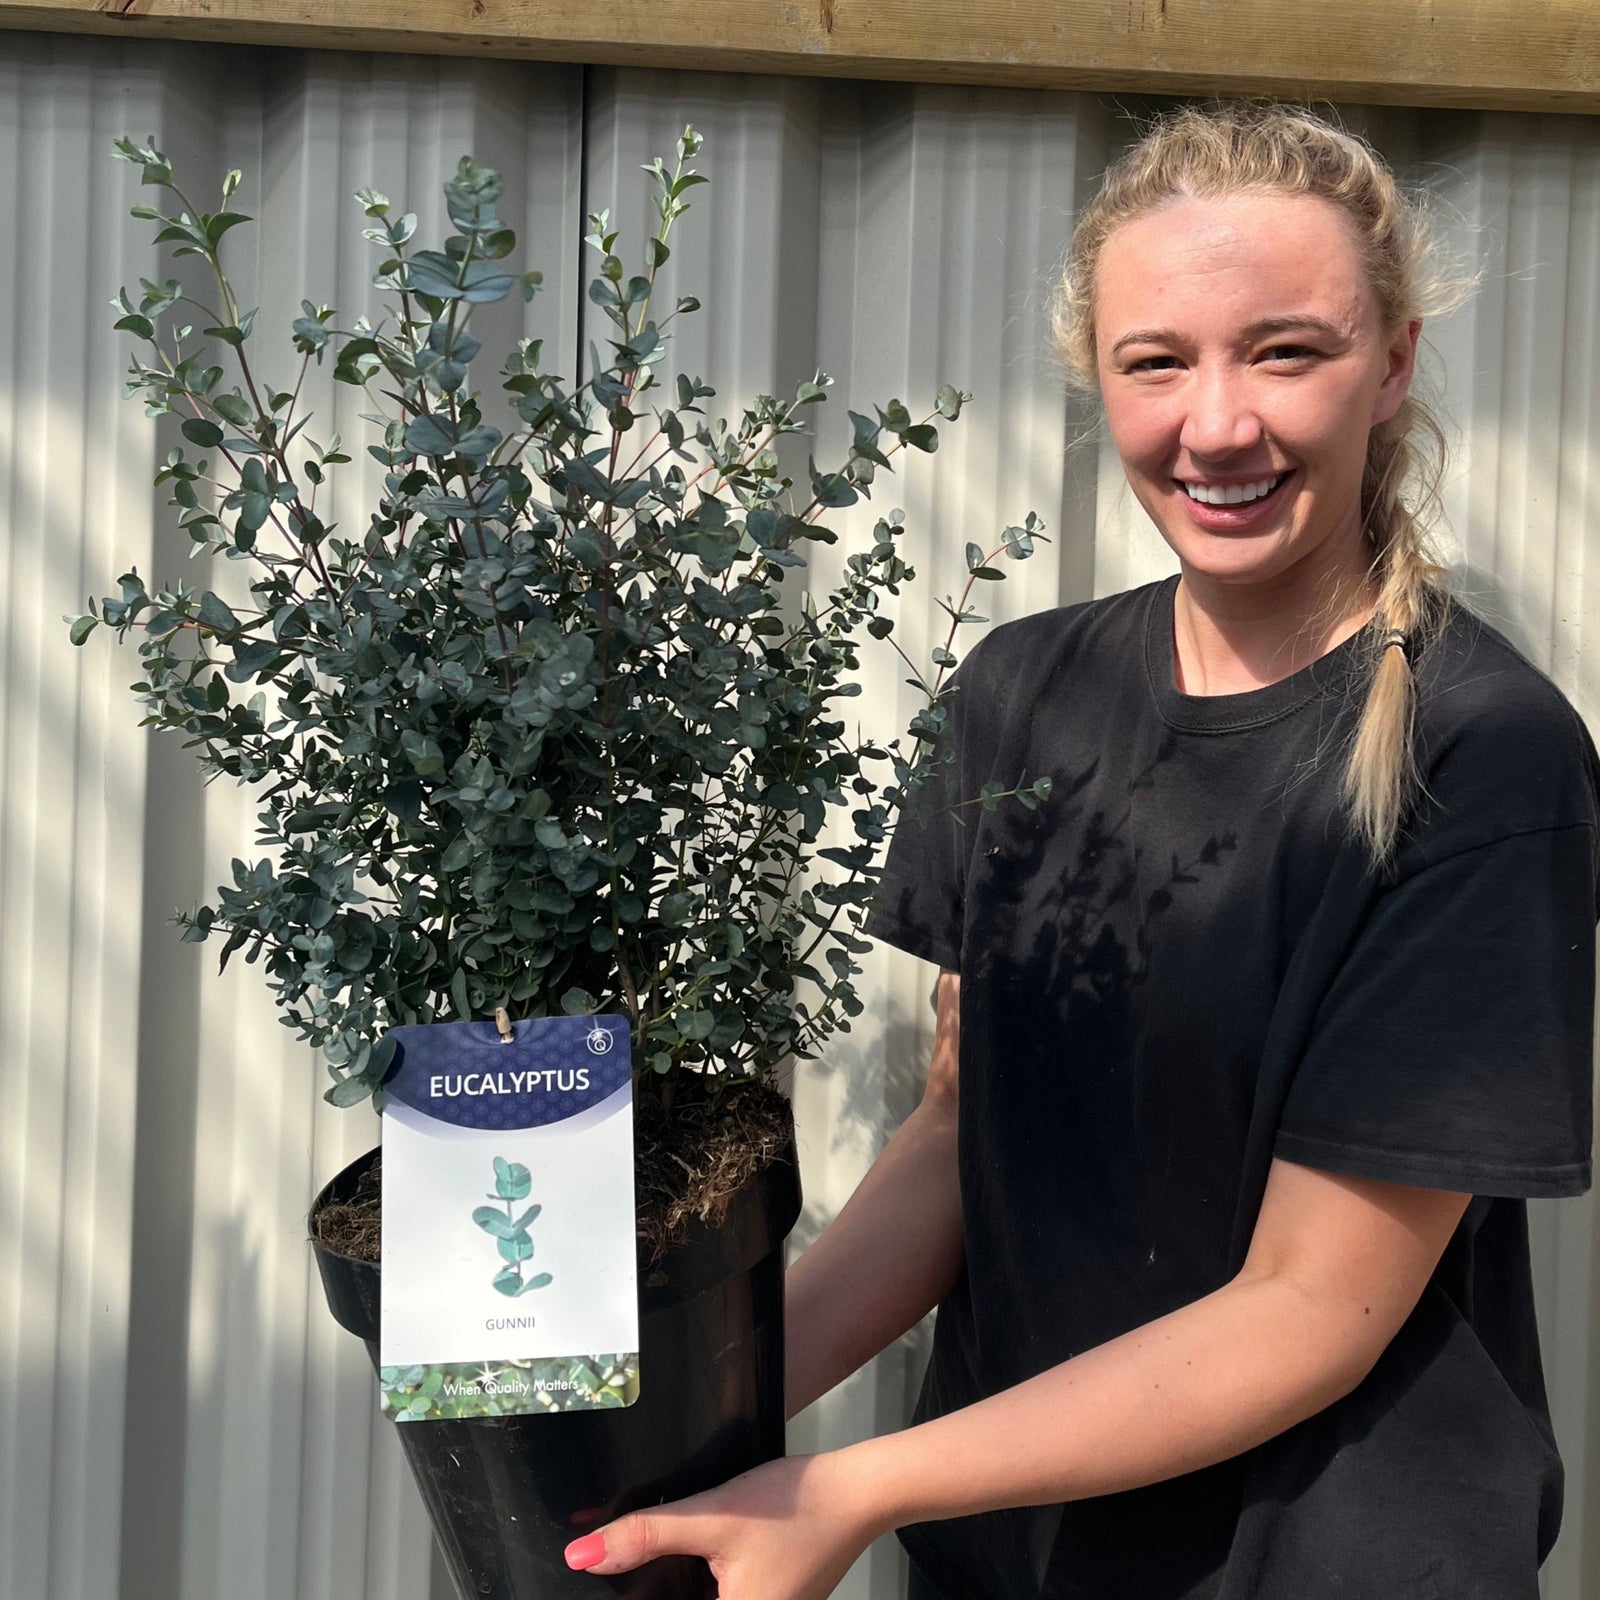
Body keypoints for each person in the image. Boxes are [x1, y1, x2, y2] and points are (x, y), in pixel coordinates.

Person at [563, 102, 1600, 1599]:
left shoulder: (1483, 756)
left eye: (1286, 350)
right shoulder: (1023, 693)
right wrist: (673, 1432)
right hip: (1019, 1557)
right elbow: (954, 1147)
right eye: (1158, 361)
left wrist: (850, 1486)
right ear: (1098, 378)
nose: (1219, 423)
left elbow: (1315, 1306)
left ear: (1393, 363)